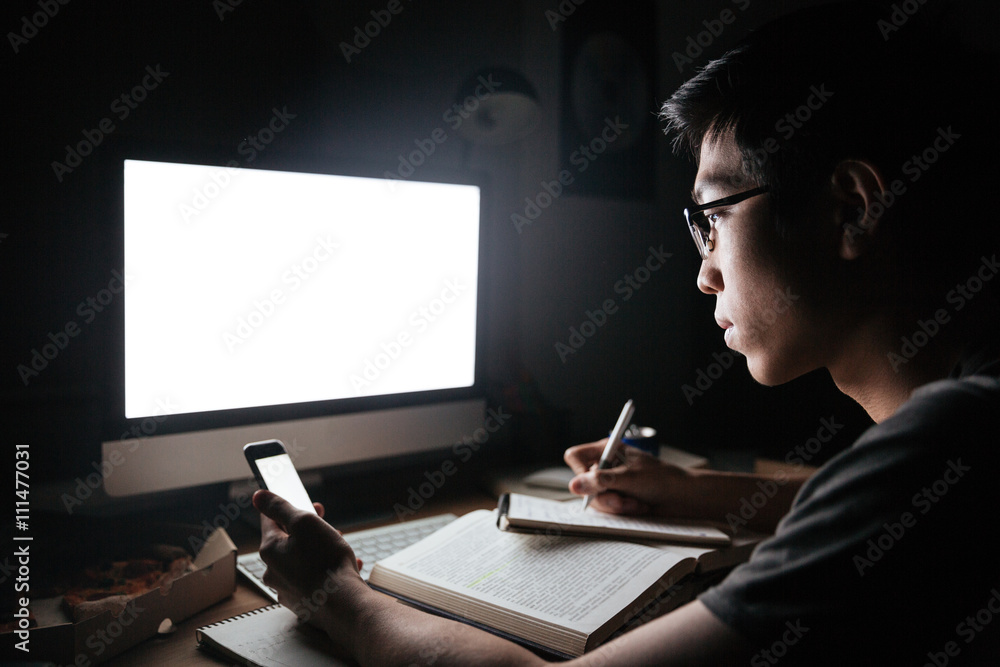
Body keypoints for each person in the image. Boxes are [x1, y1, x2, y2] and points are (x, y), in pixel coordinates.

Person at [253, 1, 1000, 664]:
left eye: (713, 218)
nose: (705, 274)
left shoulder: (953, 433)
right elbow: (869, 502)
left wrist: (335, 594)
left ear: (852, 208)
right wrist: (699, 492)